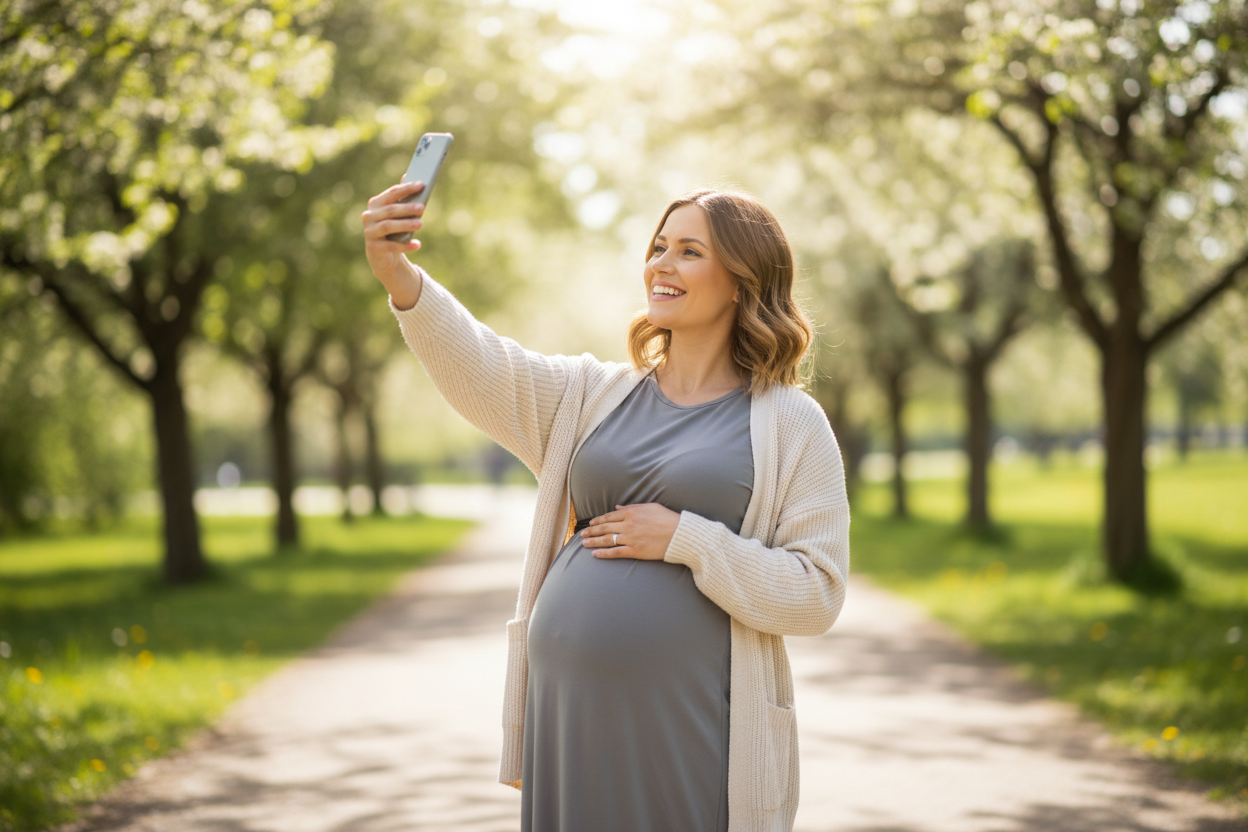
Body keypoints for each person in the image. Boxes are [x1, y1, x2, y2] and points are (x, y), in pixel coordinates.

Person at [362, 182, 850, 832]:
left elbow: (816, 594)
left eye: (688, 251)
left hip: (691, 724)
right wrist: (401, 277)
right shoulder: (592, 395)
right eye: (658, 246)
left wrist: (687, 539)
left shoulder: (790, 422)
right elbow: (480, 362)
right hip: (570, 716)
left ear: (740, 281)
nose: (661, 264)